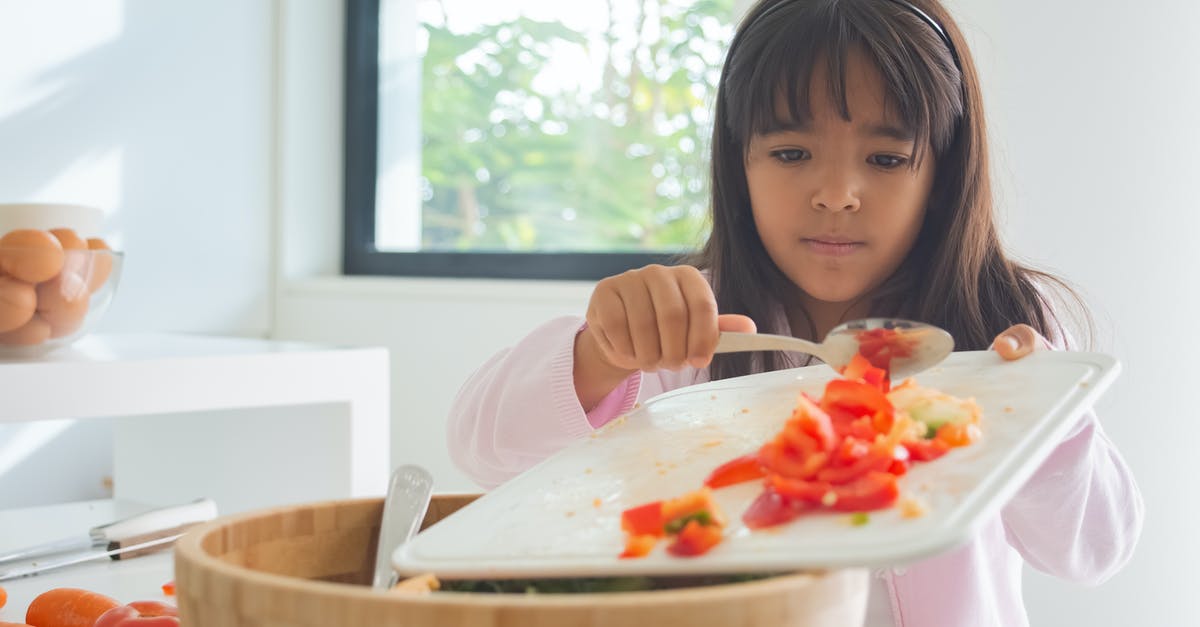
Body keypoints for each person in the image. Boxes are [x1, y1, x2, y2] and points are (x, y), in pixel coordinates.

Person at [446, 0, 1143, 625]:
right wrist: (599, 354)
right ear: (737, 161)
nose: (838, 192)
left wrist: (1041, 412)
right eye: (789, 151)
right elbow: (481, 450)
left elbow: (1094, 550)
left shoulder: (1007, 323)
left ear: (942, 173)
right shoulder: (693, 329)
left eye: (886, 157)